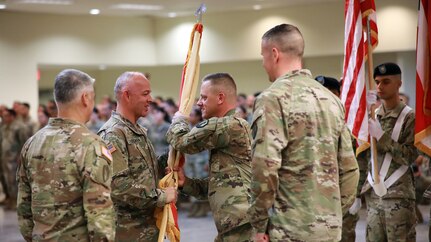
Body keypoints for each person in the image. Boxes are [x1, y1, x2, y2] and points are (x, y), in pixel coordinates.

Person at [248, 23, 359, 242]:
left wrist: (259, 224)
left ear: (274, 53)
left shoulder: (272, 98)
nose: (263, 63)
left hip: (289, 229)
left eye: (263, 56)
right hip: (330, 229)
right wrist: (332, 212)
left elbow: (265, 166)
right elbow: (350, 169)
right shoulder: (332, 100)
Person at [16, 69, 116, 241]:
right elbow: (99, 213)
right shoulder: (91, 145)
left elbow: (24, 208)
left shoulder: (32, 142)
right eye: (92, 97)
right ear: (85, 98)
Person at [167, 73, 253, 241]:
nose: (199, 103)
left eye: (204, 97)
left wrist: (179, 119)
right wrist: (187, 184)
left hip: (239, 224)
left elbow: (181, 142)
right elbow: (221, 184)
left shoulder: (224, 125)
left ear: (220, 98)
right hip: (236, 223)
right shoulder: (236, 125)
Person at [98, 71, 177, 241]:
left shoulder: (134, 129)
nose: (151, 99)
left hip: (148, 228)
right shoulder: (113, 134)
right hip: (129, 232)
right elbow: (117, 185)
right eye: (145, 94)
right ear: (127, 95)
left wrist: (171, 157)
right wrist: (161, 196)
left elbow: (143, 170)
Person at [361, 63, 418, 242]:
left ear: (399, 83)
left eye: (386, 81)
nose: (380, 86)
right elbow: (363, 156)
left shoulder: (410, 117)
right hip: (374, 195)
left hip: (398, 196)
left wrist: (382, 137)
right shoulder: (372, 116)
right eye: (377, 82)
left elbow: (409, 156)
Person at [1, 108, 29, 209]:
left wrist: (20, 156)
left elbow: (24, 142)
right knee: (8, 180)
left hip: (14, 158)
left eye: (6, 116)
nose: (4, 118)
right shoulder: (4, 127)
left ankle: (17, 203)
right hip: (6, 158)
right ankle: (11, 200)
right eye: (3, 116)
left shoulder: (19, 127)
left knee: (14, 180)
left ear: (12, 116)